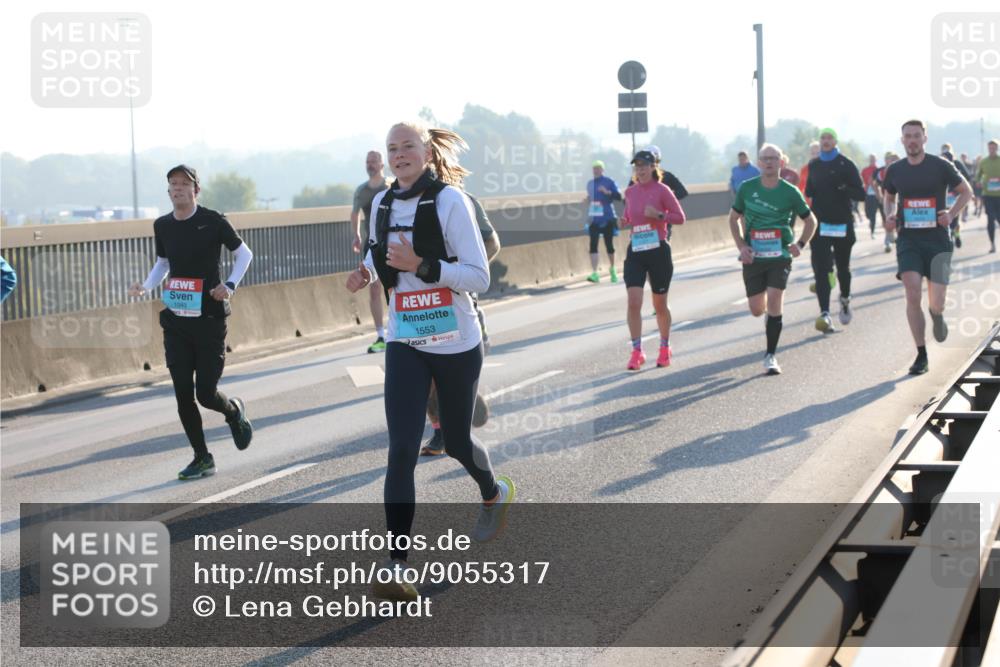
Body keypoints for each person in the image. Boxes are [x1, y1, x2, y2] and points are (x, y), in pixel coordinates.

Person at [345, 122, 514, 601]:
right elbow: (383, 259)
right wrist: (365, 273)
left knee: (457, 440)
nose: (399, 155)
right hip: (406, 340)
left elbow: (479, 277)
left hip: (457, 340)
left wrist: (421, 263)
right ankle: (397, 565)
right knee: (401, 449)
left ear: (426, 152)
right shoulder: (379, 203)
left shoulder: (449, 202)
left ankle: (493, 493)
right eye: (392, 148)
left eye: (407, 147)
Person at [129, 165, 254, 480]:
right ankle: (202, 457)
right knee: (183, 391)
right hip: (176, 320)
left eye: (184, 184)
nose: (178, 189)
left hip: (209, 318)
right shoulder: (163, 225)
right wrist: (146, 285)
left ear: (196, 190)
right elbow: (163, 264)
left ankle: (233, 412)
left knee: (205, 393)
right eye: (173, 184)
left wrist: (230, 285)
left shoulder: (212, 221)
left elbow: (245, 255)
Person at [882, 120, 972, 375]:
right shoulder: (895, 170)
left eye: (916, 136)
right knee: (912, 293)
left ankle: (937, 314)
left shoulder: (940, 166)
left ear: (924, 138)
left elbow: (965, 192)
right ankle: (921, 354)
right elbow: (889, 197)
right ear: (902, 140)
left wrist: (951, 215)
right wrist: (889, 215)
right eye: (907, 136)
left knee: (937, 302)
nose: (912, 140)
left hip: (937, 239)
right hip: (908, 239)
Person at [421, 193, 500, 456]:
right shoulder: (398, 202)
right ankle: (439, 431)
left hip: (460, 305)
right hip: (422, 307)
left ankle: (460, 394)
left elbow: (492, 242)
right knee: (426, 378)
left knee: (449, 380)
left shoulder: (463, 199)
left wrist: (462, 272)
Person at [729, 144, 817, 375]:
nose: (769, 162)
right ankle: (769, 313)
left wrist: (799, 245)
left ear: (781, 163)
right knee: (758, 309)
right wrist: (742, 246)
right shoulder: (747, 188)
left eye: (773, 158)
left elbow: (811, 221)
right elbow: (733, 218)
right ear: (759, 163)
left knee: (775, 297)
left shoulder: (790, 191)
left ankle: (770, 355)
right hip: (754, 257)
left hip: (780, 256)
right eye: (765, 159)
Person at [621, 150, 686, 370]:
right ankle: (637, 351)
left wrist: (659, 215)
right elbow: (630, 217)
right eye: (637, 166)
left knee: (659, 304)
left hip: (658, 250)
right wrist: (624, 221)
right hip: (636, 251)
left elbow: (680, 218)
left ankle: (664, 347)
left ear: (653, 167)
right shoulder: (630, 193)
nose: (640, 169)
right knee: (633, 301)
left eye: (644, 165)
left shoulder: (663, 190)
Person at [805, 128, 866, 333]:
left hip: (841, 223)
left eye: (829, 137)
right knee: (821, 270)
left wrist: (843, 188)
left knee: (843, 268)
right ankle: (824, 312)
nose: (826, 141)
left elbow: (861, 194)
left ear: (835, 141)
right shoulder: (814, 165)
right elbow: (809, 192)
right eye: (823, 138)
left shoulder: (846, 164)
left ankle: (845, 298)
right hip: (821, 224)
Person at [351, 151, 390, 352]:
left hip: (393, 243)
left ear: (382, 164)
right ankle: (381, 336)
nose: (370, 165)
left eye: (374, 161)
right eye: (367, 161)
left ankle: (400, 330)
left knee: (394, 287)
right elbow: (355, 213)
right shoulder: (362, 190)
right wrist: (357, 235)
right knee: (374, 288)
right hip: (372, 245)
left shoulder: (390, 186)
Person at [584, 160, 622, 283]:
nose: (596, 170)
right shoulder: (589, 184)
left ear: (602, 169)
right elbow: (592, 197)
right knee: (593, 244)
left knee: (609, 245)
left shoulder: (609, 181)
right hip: (594, 217)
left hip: (608, 217)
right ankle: (595, 273)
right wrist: (587, 199)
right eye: (594, 168)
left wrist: (607, 192)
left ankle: (613, 269)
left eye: (598, 168)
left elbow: (619, 196)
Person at [940, 145, 972, 249]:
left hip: (955, 195)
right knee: (947, 216)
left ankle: (955, 234)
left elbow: (967, 176)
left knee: (954, 216)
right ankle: (950, 234)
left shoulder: (957, 163)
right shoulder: (939, 164)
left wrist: (960, 185)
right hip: (943, 195)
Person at [975, 139, 1000, 253]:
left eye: (994, 148)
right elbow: (978, 175)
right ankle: (992, 244)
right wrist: (978, 181)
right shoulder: (984, 162)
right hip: (988, 195)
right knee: (990, 220)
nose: (992, 150)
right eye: (990, 148)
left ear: (997, 148)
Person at [873, 152, 900, 253]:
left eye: (894, 158)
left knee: (899, 220)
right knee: (888, 219)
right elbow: (875, 183)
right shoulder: (881, 171)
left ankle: (898, 239)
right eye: (890, 159)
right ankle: (887, 240)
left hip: (901, 200)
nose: (892, 160)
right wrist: (879, 195)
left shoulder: (903, 168)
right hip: (888, 200)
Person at [861, 154, 882, 239]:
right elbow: (861, 180)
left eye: (873, 159)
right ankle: (870, 220)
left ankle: (872, 232)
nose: (872, 160)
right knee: (867, 213)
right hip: (867, 194)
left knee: (873, 214)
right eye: (871, 159)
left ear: (876, 160)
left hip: (876, 194)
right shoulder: (865, 170)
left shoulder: (878, 170)